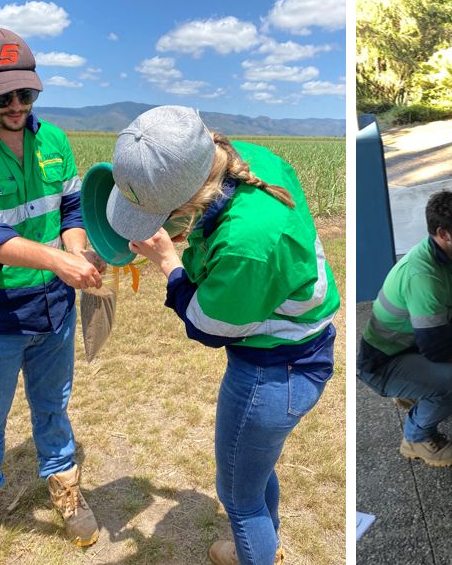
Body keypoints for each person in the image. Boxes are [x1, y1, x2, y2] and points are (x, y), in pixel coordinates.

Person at [108, 105, 340, 565]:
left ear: (188, 199)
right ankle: (264, 546)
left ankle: (254, 549)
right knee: (253, 472)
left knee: (238, 497)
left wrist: (169, 264)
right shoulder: (247, 159)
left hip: (273, 372)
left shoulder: (247, 243)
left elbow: (208, 326)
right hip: (300, 349)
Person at [0, 27, 104, 547]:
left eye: (26, 93)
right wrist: (61, 261)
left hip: (54, 309)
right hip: (0, 314)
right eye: (3, 96)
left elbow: (71, 207)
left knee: (53, 405)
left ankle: (63, 484)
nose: (17, 105)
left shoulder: (56, 140)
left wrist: (79, 250)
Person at [357, 190, 452, 468]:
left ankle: (416, 391)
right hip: (382, 363)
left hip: (413, 347)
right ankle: (416, 438)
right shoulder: (423, 275)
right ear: (444, 233)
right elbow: (437, 347)